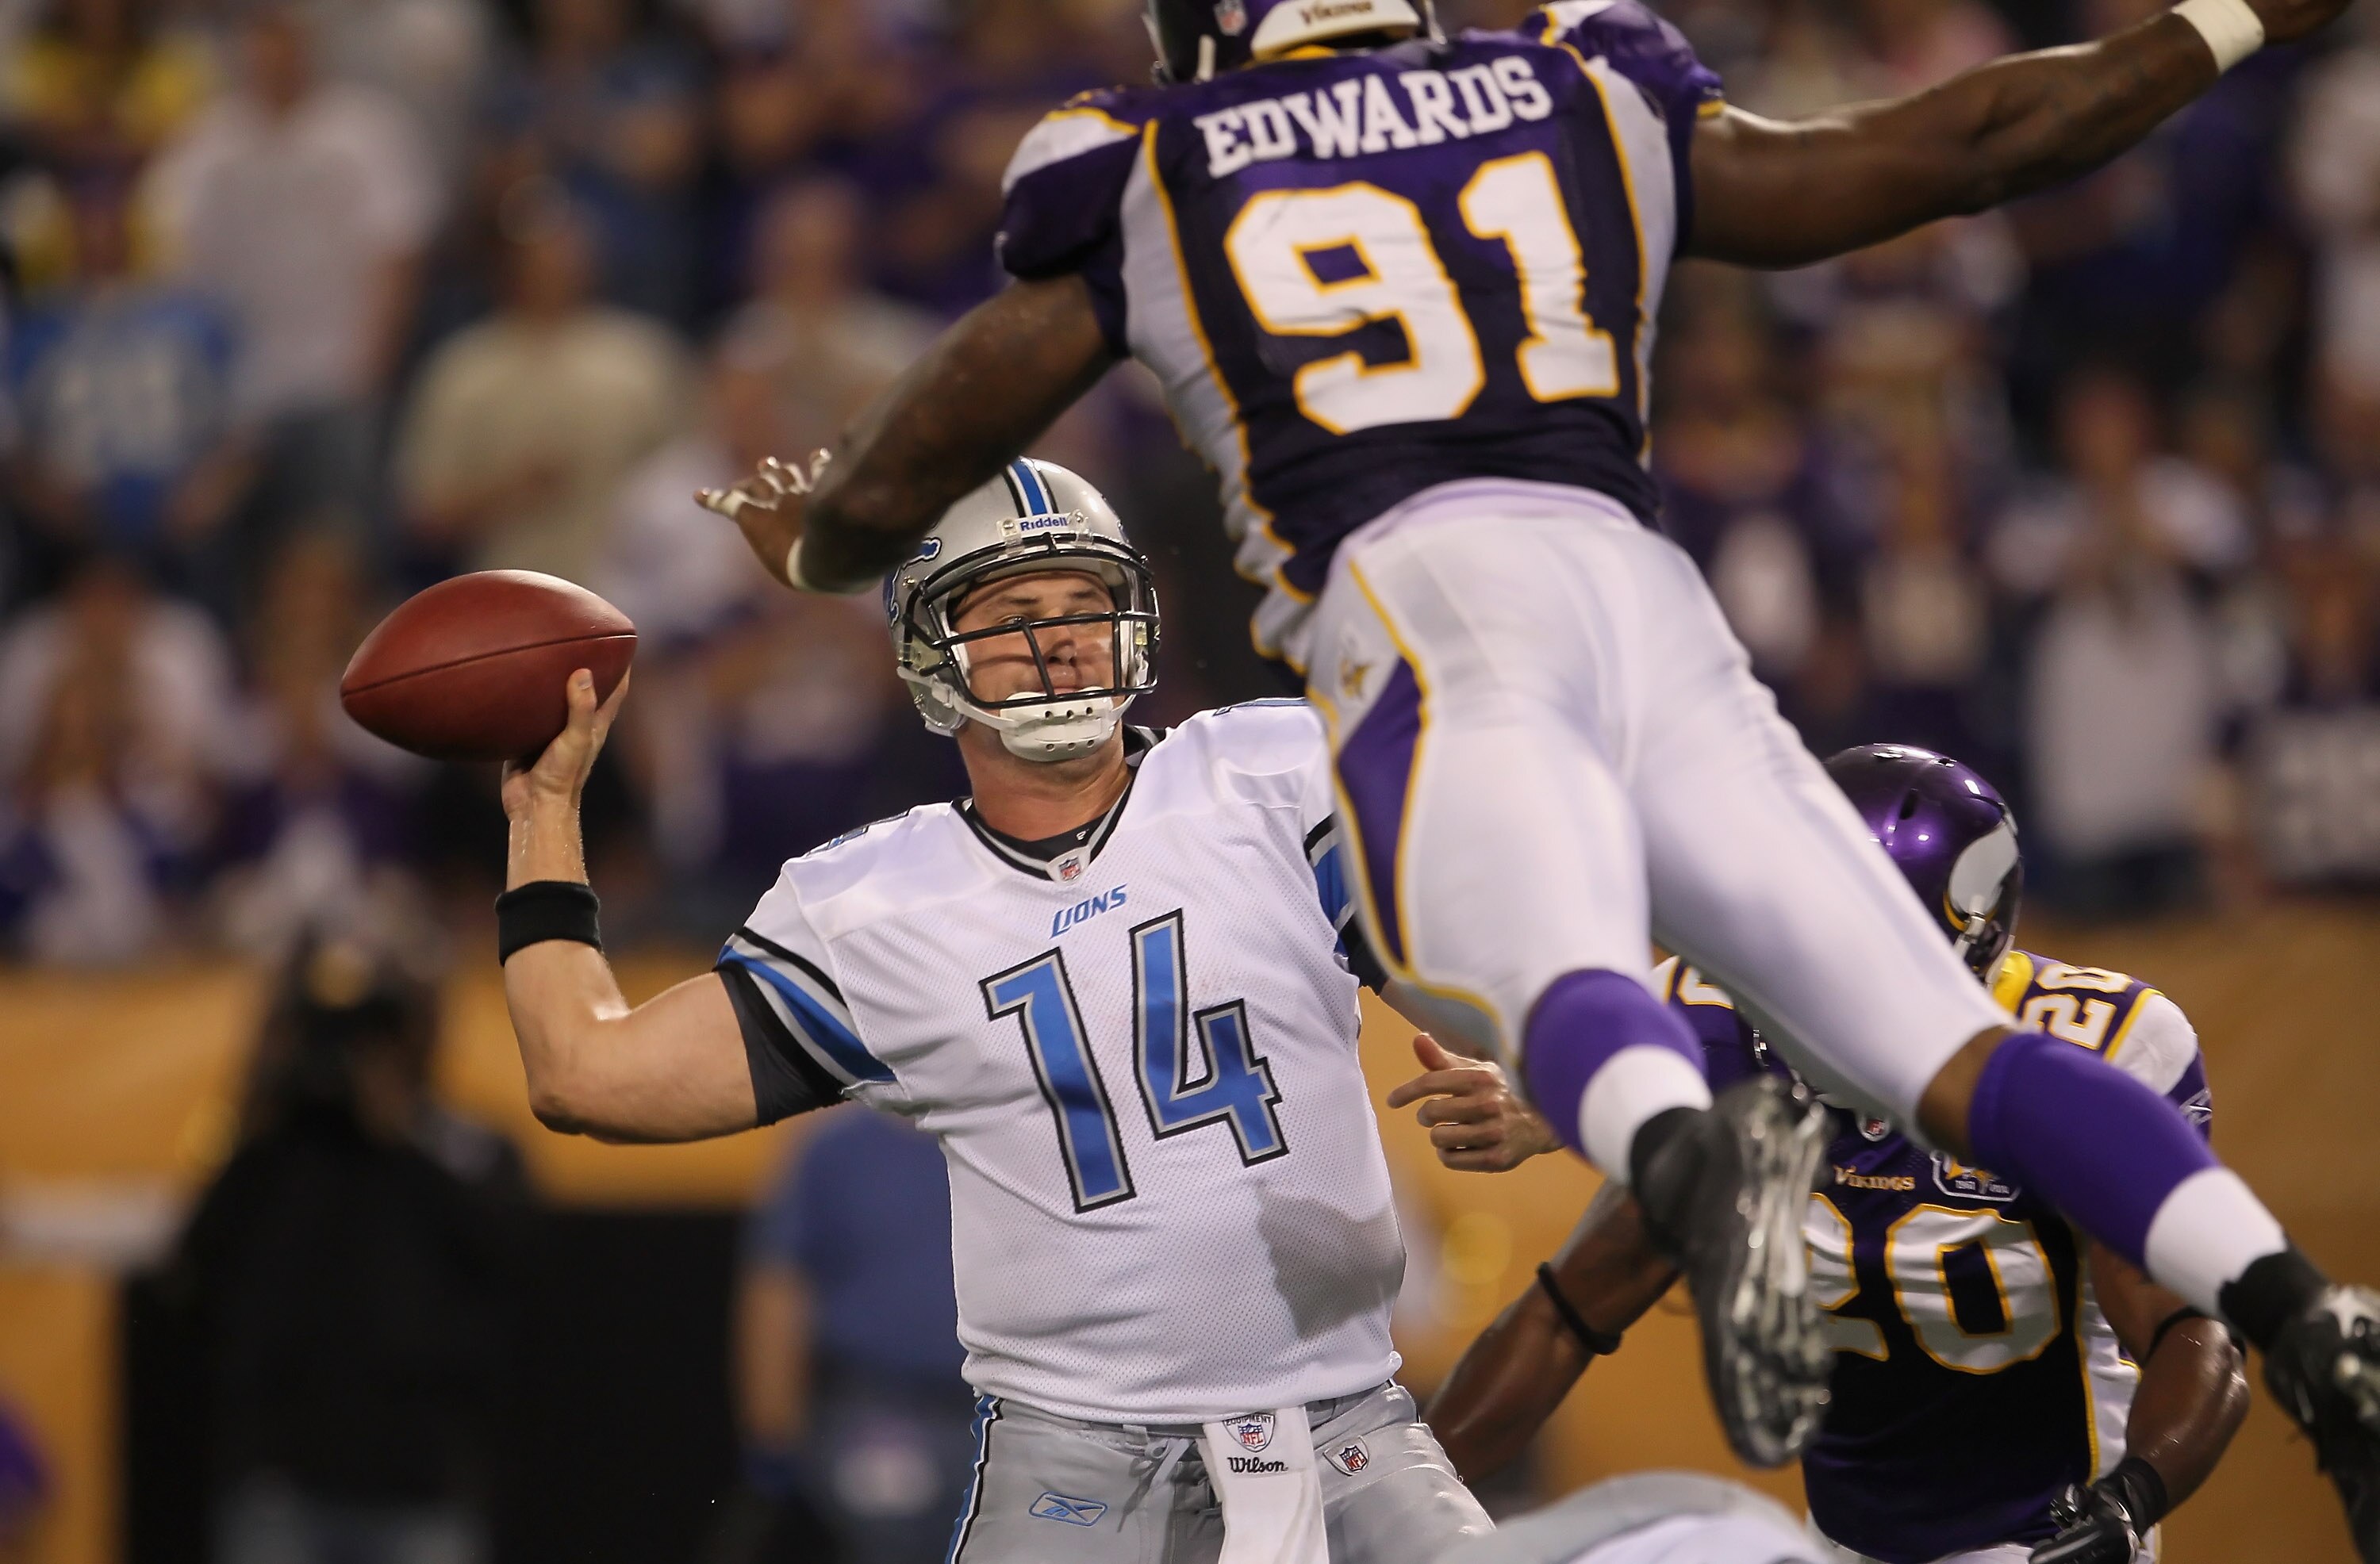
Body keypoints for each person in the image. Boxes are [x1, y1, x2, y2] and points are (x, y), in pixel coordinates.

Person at [692, 0, 2380, 1539]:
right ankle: (2303, 1308)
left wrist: (822, 545)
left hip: (1430, 616)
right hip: (1644, 596)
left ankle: (1683, 1155)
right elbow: (1974, 141)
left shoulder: (1149, 157)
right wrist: (2239, 18)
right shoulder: (1574, 77)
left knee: (1541, 966)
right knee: (1939, 1035)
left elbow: (916, 460)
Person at [496, 459, 1493, 1564]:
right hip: (1078, 1466)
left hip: (1350, 1427)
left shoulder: (1267, 775)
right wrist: (546, 811)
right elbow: (585, 1076)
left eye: (1085, 605)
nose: (1060, 641)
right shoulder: (875, 907)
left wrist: (1540, 1081)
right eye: (1016, 614)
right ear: (933, 649)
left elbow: (1499, 976)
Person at [1411, 746, 2248, 1564]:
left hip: (2044, 1539)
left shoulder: (2090, 1054)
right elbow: (1566, 1313)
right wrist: (1405, 1509)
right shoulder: (1714, 1026)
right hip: (1844, 1541)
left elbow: (2186, 1323)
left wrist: (2130, 1500)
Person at [175, 941, 529, 1564]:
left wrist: (402, 1131)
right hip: (278, 1478)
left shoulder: (470, 1149)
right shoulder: (274, 1148)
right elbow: (192, 1264)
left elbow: (514, 1269)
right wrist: (263, 1092)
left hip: (420, 1482)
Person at [733, 1111, 974, 1564]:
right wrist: (772, 1433)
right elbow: (779, 1289)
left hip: (1008, 1414)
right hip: (878, 1412)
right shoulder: (836, 1147)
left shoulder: (1015, 1136)